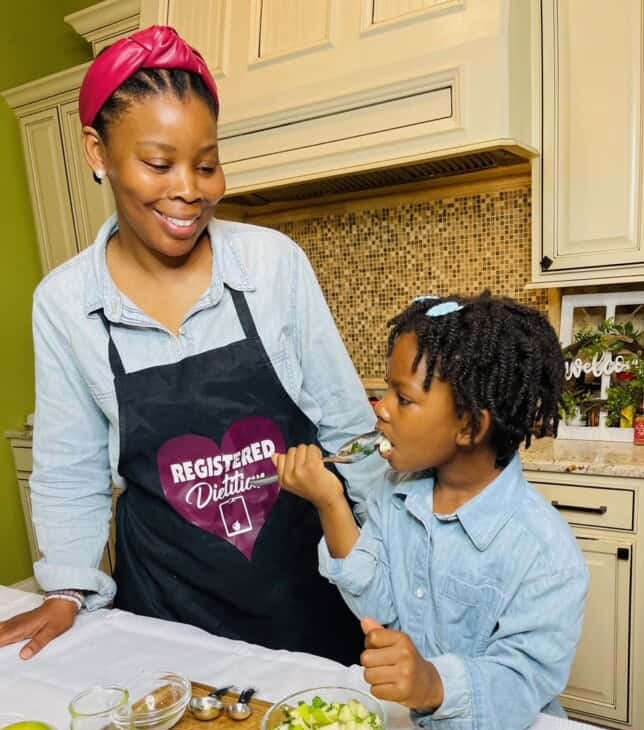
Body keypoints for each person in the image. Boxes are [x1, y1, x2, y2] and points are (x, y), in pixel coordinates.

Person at [0, 26, 385, 665]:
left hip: (304, 595)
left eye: (206, 164)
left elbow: (348, 434)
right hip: (165, 614)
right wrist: (68, 586)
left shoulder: (271, 265)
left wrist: (388, 565)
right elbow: (71, 470)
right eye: (159, 163)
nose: (190, 189)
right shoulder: (65, 303)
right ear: (98, 153)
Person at [272, 293, 590, 730]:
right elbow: (375, 607)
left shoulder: (545, 553)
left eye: (402, 398)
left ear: (469, 427)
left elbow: (524, 683)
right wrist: (330, 503)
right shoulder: (396, 491)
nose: (379, 407)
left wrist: (433, 684)